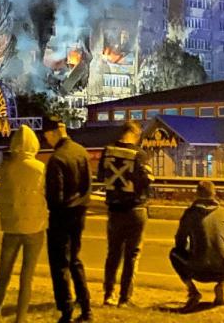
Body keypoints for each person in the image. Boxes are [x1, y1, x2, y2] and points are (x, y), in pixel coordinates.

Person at [0, 125, 48, 323]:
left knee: (2, 276)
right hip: (35, 228)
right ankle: (20, 319)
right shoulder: (40, 168)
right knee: (26, 278)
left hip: (11, 229)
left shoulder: (6, 168)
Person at [97, 121, 153, 307]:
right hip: (135, 209)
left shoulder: (107, 151)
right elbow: (147, 179)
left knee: (113, 254)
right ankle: (125, 298)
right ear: (134, 133)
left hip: (114, 210)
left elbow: (100, 177)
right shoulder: (138, 154)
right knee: (132, 255)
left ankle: (108, 294)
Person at [44, 122, 93, 323]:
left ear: (54, 133)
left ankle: (66, 310)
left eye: (47, 135)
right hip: (79, 213)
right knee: (75, 259)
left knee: (59, 264)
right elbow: (88, 185)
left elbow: (55, 196)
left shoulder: (57, 159)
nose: (46, 140)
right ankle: (86, 307)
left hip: (61, 216)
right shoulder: (81, 152)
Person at [170, 180, 224, 312]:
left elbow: (180, 243)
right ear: (214, 194)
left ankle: (193, 291)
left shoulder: (189, 214)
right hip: (223, 271)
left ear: (197, 194)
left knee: (173, 254)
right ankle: (221, 286)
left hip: (198, 271)